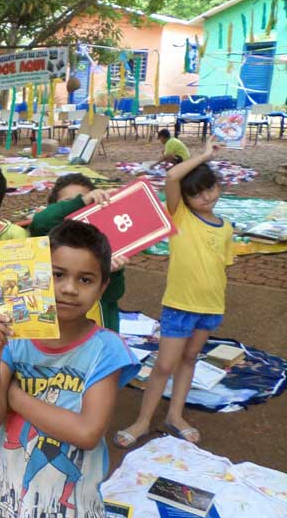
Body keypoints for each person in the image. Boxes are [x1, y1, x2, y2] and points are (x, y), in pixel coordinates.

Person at [0, 220, 139, 517]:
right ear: (37, 273)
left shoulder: (107, 350)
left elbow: (88, 432)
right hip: (8, 494)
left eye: (85, 280)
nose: (69, 289)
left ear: (103, 286)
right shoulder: (14, 336)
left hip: (72, 503)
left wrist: (15, 397)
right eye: (57, 274)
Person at [116, 139, 232, 449]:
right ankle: (142, 421)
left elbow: (222, 267)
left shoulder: (226, 227)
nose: (205, 197)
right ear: (186, 198)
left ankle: (175, 416)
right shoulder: (180, 215)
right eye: (196, 193)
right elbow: (171, 178)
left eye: (210, 188)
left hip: (210, 306)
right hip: (179, 306)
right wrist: (204, 155)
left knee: (190, 359)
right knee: (164, 365)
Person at [28, 173, 128, 332]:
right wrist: (82, 202)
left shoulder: (100, 245)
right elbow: (40, 221)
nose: (77, 213)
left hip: (95, 337)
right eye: (68, 202)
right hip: (50, 334)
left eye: (88, 203)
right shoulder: (47, 239)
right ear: (54, 207)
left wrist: (115, 272)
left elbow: (113, 296)